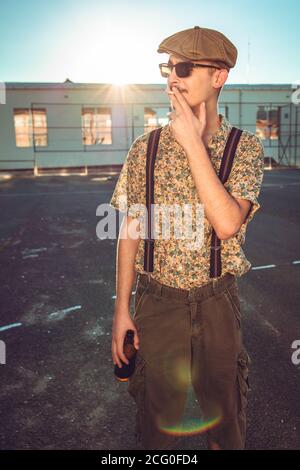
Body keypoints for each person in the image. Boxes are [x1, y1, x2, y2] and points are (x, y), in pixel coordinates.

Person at [110, 26, 265, 450]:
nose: (171, 79)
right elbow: (130, 231)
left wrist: (195, 146)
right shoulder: (145, 148)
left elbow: (227, 223)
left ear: (218, 77)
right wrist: (122, 309)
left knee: (226, 425)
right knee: (156, 428)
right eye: (167, 68)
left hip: (218, 300)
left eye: (183, 67)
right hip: (156, 302)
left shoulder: (244, 148)